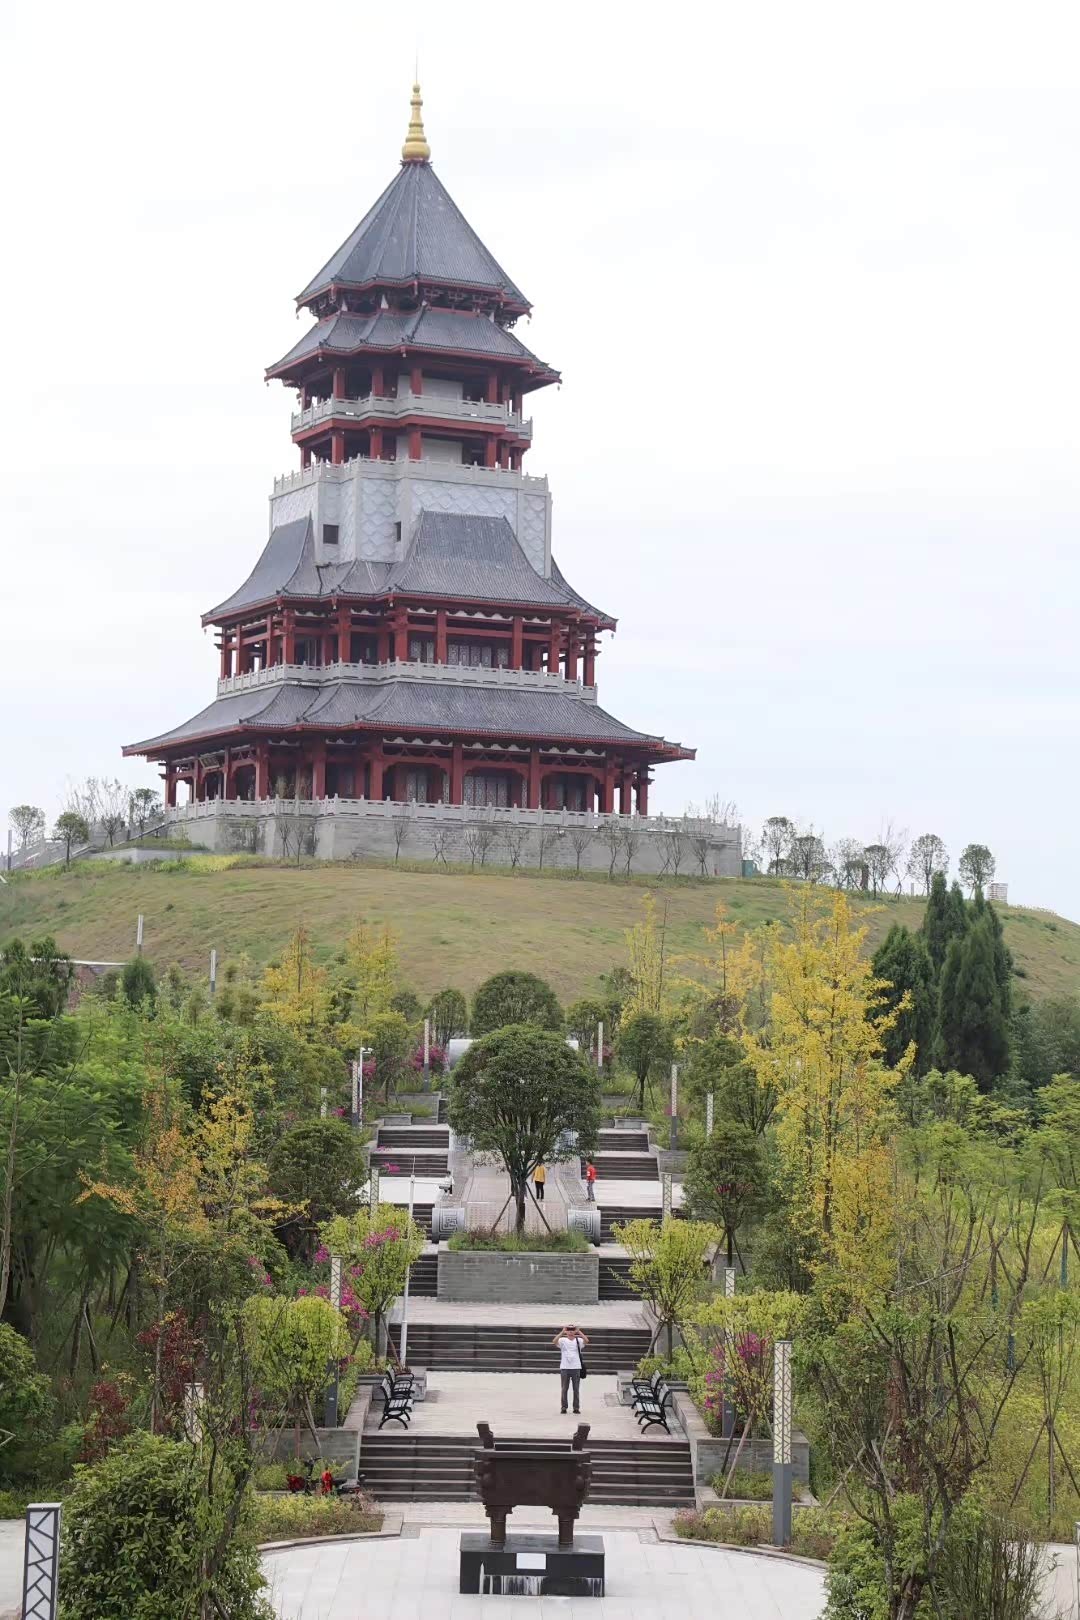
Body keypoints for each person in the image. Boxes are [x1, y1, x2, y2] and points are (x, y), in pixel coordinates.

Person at [552, 1323, 590, 1414]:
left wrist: (579, 1331)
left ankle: (576, 1408)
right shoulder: (562, 1340)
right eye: (569, 1330)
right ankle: (563, 1407)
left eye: (572, 1330)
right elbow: (554, 1341)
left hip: (576, 1367)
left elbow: (586, 1341)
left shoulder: (578, 1340)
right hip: (565, 1368)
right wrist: (562, 1332)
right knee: (564, 1389)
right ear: (566, 1331)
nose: (570, 1332)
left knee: (576, 1389)